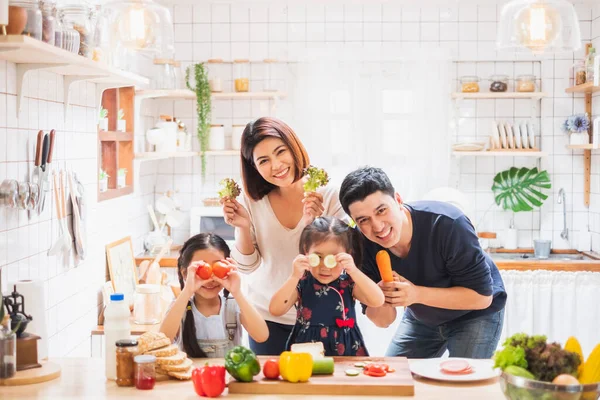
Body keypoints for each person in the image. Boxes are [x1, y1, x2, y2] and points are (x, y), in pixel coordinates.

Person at [339, 167, 507, 359]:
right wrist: (381, 296)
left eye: (381, 210)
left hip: (474, 315)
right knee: (395, 380)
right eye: (363, 220)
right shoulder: (363, 245)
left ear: (398, 200)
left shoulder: (449, 224)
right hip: (422, 317)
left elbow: (482, 298)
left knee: (461, 384)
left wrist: (416, 294)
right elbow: (383, 321)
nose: (377, 226)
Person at [221, 117, 347, 355]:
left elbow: (342, 264)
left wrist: (315, 227)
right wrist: (243, 227)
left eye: (281, 152)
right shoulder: (251, 201)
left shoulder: (329, 195)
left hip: (324, 317)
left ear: (294, 147)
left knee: (325, 391)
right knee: (272, 391)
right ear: (254, 167)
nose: (276, 165)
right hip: (267, 318)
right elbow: (247, 267)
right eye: (264, 160)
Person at [269, 217, 384, 356]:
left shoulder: (349, 282)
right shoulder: (301, 282)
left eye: (333, 258)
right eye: (318, 256)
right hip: (307, 349)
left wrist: (354, 270)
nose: (324, 266)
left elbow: (377, 300)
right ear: (306, 252)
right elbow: (275, 309)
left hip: (346, 348)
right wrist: (294, 276)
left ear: (347, 255)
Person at [160, 233, 269, 358]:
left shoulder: (234, 306)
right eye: (202, 268)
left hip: (227, 376)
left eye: (218, 268)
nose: (210, 278)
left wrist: (237, 292)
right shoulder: (180, 307)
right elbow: (163, 341)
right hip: (192, 377)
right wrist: (187, 291)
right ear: (185, 273)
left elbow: (262, 336)